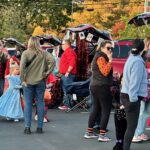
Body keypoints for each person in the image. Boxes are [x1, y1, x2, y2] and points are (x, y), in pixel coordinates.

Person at [20, 36, 55, 134]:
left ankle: (27, 128)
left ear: (29, 43)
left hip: (28, 82)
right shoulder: (44, 53)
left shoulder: (25, 53)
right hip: (40, 82)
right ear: (38, 43)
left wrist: (22, 79)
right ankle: (40, 127)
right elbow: (53, 61)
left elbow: (22, 67)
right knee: (40, 103)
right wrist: (47, 73)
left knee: (28, 104)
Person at [120, 39, 147, 150]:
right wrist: (133, 100)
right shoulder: (137, 61)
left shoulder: (131, 58)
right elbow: (134, 83)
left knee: (129, 127)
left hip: (127, 95)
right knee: (131, 128)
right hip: (131, 97)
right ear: (143, 48)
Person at [84, 40, 113, 142]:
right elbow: (105, 72)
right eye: (108, 48)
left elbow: (98, 71)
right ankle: (102, 135)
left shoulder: (98, 56)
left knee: (96, 108)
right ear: (102, 48)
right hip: (101, 86)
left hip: (95, 85)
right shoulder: (101, 57)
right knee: (105, 109)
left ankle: (89, 132)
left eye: (111, 48)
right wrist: (110, 61)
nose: (110, 50)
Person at [132, 37, 150, 142]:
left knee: (146, 111)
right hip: (144, 87)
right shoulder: (142, 57)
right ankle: (136, 134)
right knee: (142, 111)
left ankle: (140, 132)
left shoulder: (142, 56)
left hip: (146, 87)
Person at [58, 38, 77, 111]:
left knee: (67, 89)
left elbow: (72, 63)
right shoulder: (68, 51)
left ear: (66, 44)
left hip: (68, 75)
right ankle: (67, 104)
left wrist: (67, 72)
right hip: (66, 74)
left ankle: (67, 105)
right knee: (66, 89)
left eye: (62, 44)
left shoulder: (69, 51)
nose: (61, 46)